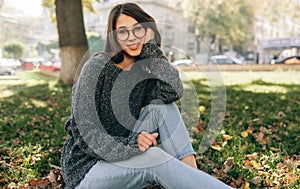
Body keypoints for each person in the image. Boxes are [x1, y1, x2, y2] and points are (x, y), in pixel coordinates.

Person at [61, 3, 233, 189]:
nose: (132, 37)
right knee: (154, 158)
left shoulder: (140, 73)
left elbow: (173, 90)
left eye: (138, 30)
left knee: (162, 107)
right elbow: (84, 131)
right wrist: (131, 144)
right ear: (114, 36)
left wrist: (150, 48)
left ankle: (191, 176)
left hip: (120, 155)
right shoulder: (96, 67)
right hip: (87, 170)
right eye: (123, 32)